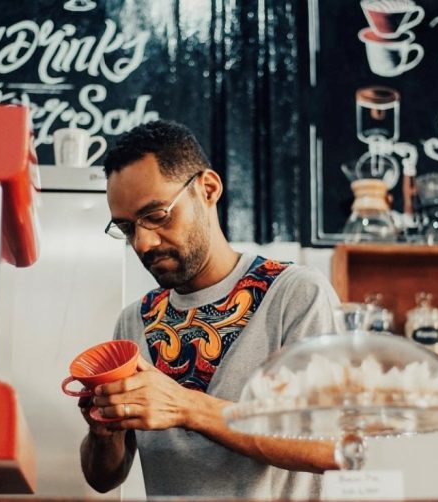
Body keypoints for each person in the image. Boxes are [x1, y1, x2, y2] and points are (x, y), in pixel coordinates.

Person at [79, 119, 340, 499]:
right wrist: (103, 432)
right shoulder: (134, 321)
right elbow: (103, 479)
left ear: (208, 189)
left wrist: (187, 407)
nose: (144, 243)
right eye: (128, 228)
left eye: (157, 216)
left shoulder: (296, 294)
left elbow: (330, 447)